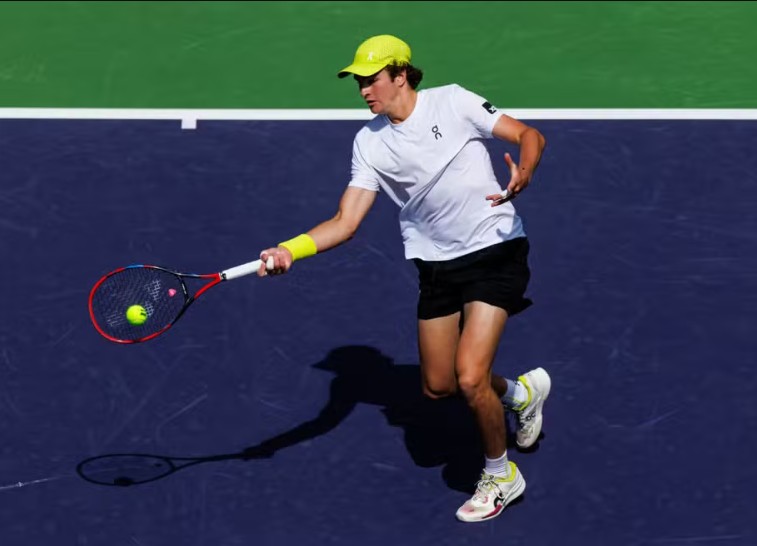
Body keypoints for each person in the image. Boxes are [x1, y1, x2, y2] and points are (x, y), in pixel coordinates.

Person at [257, 34, 550, 523]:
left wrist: (525, 169)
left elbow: (529, 134)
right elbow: (346, 222)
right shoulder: (369, 142)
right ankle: (519, 395)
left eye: (371, 79)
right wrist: (290, 249)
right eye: (359, 83)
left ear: (400, 73)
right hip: (436, 265)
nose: (364, 91)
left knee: (469, 375)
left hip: (494, 248)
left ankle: (501, 475)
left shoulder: (453, 101)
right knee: (439, 386)